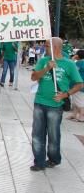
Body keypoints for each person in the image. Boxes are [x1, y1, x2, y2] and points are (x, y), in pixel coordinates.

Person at [30, 38, 83, 171]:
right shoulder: (43, 61)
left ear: (56, 47)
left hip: (55, 105)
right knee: (37, 134)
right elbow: (34, 77)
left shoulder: (69, 64)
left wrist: (65, 95)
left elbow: (79, 84)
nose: (44, 48)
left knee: (53, 135)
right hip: (39, 102)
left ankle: (54, 159)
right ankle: (39, 162)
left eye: (47, 46)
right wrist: (47, 68)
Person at [67, 49, 84, 122]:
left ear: (78, 56)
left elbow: (69, 68)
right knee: (75, 101)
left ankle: (81, 116)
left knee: (79, 102)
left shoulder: (79, 63)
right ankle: (74, 114)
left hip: (78, 85)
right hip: (78, 85)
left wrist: (73, 59)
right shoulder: (80, 63)